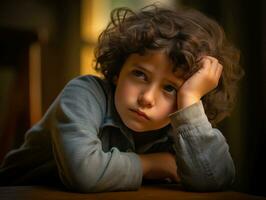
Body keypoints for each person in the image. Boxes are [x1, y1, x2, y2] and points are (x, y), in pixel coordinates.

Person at [0, 4, 244, 193]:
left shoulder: (178, 121)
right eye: (139, 74)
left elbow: (214, 180)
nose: (147, 98)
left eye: (170, 88)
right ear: (117, 71)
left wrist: (190, 99)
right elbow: (83, 173)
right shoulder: (83, 93)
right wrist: (155, 164)